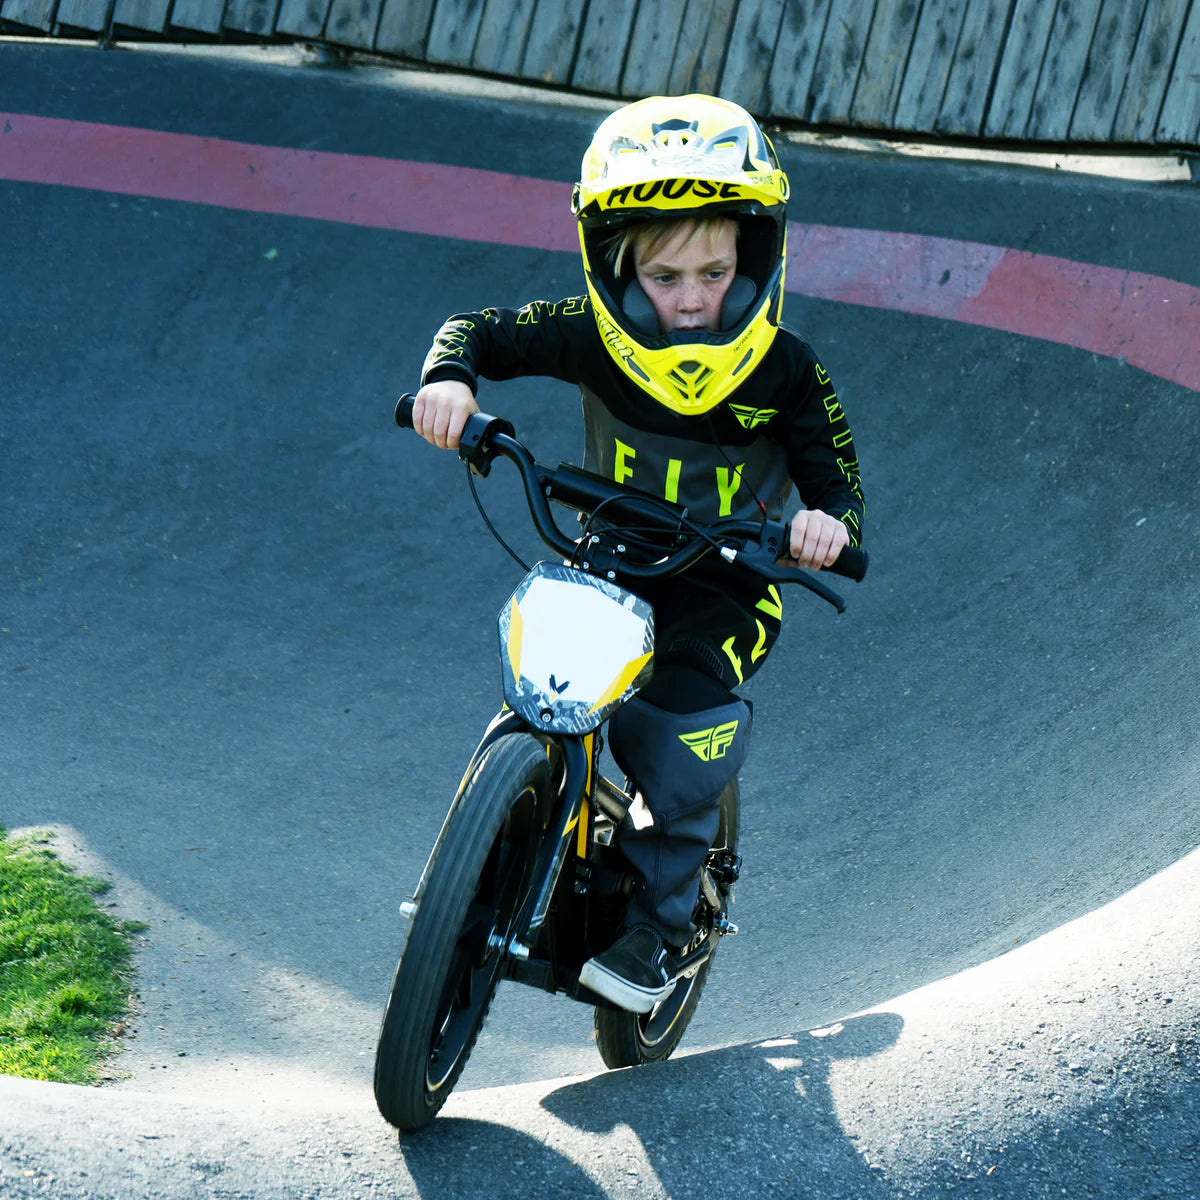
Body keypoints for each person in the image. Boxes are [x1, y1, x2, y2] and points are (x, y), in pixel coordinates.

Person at [410, 94, 865, 1014]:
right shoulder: (591, 335)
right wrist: (449, 380)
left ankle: (660, 926)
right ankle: (480, 859)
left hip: (729, 586)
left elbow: (841, 490)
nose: (691, 298)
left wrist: (828, 526)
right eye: (663, 276)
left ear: (755, 264)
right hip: (609, 556)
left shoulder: (788, 371)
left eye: (715, 272)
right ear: (617, 270)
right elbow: (475, 330)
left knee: (673, 729)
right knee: (542, 678)